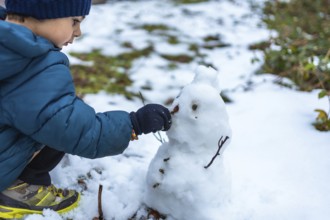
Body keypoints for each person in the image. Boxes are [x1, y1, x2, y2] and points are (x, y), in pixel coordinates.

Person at [0, 0, 172, 218]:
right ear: (41, 12)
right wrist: (134, 124)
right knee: (60, 115)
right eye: (74, 21)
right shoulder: (32, 67)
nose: (78, 32)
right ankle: (20, 188)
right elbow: (75, 129)